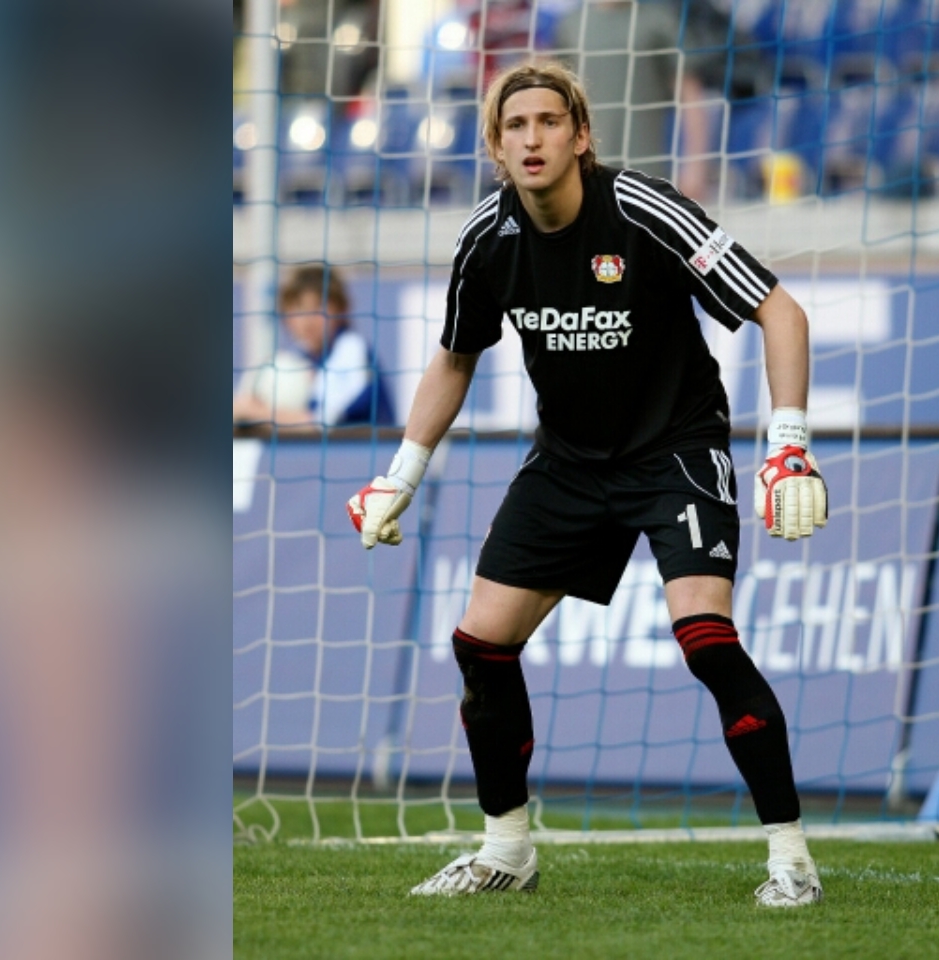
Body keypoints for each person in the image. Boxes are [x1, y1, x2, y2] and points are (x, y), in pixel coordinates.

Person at [346, 62, 827, 907]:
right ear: (495, 146)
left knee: (705, 640)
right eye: (514, 126)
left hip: (673, 449)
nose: (532, 139)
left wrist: (787, 443)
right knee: (479, 646)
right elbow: (456, 357)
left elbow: (779, 310)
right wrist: (401, 474)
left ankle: (791, 860)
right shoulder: (487, 239)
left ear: (579, 136)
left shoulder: (642, 208)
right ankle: (506, 852)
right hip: (568, 463)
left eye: (547, 122)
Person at [552, 0, 712, 200]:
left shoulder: (659, 21)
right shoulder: (571, 25)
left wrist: (695, 166)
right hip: (587, 174)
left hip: (646, 174)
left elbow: (690, 97)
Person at [232, 264, 394, 427]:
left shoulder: (351, 349)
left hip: (362, 451)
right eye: (298, 308)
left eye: (318, 306)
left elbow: (324, 423)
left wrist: (260, 414)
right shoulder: (296, 361)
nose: (307, 319)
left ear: (342, 309)